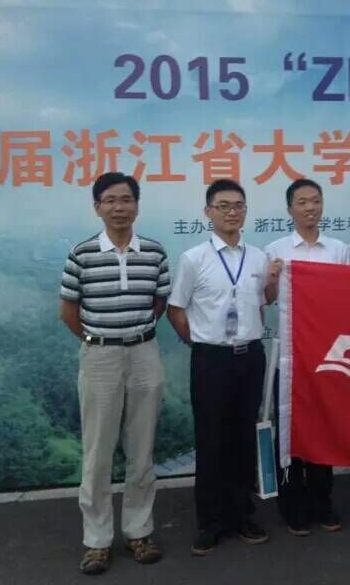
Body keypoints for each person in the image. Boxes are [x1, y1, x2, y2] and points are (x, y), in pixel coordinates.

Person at [59, 172, 169, 576]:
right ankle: (97, 540)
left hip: (144, 353)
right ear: (97, 207)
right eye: (110, 200)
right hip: (100, 357)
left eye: (126, 199)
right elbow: (68, 312)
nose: (119, 207)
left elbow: (158, 303)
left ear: (136, 206)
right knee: (98, 451)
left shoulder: (154, 252)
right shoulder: (82, 254)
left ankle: (139, 532)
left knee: (142, 449)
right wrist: (99, 341)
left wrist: (132, 337)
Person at [168, 179, 274, 555]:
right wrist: (199, 343)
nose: (232, 212)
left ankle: (242, 514)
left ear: (245, 211)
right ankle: (210, 522)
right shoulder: (193, 259)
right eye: (223, 206)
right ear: (208, 212)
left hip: (250, 358)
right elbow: (176, 310)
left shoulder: (258, 257)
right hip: (210, 360)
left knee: (243, 438)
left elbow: (263, 303)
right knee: (211, 440)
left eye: (238, 206)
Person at [264, 178, 350, 536]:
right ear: (290, 209)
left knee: (322, 427)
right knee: (287, 427)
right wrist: (272, 279)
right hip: (289, 355)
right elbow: (267, 298)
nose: (310, 207)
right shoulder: (276, 249)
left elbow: (349, 295)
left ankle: (322, 500)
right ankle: (292, 502)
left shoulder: (339, 250)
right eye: (302, 202)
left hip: (326, 354)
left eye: (315, 200)